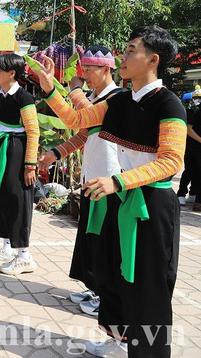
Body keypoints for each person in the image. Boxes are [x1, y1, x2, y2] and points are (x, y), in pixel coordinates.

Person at [34, 26, 185, 358]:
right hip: (121, 198)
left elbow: (172, 161)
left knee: (148, 288)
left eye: (132, 50)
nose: (124, 56)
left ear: (153, 60)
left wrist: (118, 182)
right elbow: (77, 119)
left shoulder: (168, 104)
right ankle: (119, 342)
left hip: (151, 206)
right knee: (112, 276)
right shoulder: (120, 102)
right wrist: (49, 86)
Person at [37, 45, 126, 317]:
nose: (83, 73)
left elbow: (80, 116)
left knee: (105, 240)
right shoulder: (92, 96)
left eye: (88, 69)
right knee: (90, 238)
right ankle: (96, 287)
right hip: (92, 177)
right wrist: (55, 152)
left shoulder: (118, 97)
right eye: (83, 68)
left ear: (106, 69)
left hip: (110, 179)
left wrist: (66, 90)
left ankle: (107, 296)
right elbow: (84, 135)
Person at [0, 53, 40, 276]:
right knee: (3, 198)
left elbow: (34, 132)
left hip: (17, 151)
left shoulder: (24, 98)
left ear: (12, 74)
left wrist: (30, 165)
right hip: (4, 150)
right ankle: (7, 249)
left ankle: (24, 256)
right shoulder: (2, 94)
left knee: (18, 200)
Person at [178, 88, 201, 208]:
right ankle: (181, 194)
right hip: (192, 146)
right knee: (189, 171)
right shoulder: (193, 111)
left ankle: (194, 194)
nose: (197, 100)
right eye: (196, 97)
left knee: (198, 172)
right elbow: (188, 128)